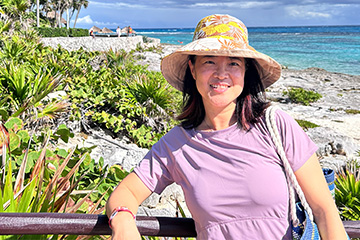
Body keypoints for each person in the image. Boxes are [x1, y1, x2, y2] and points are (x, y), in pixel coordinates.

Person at [106, 14, 348, 240]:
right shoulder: (176, 145)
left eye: (233, 63)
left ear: (245, 72)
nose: (221, 74)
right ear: (192, 68)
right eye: (209, 61)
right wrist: (124, 222)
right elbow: (126, 191)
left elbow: (324, 210)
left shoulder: (275, 125)